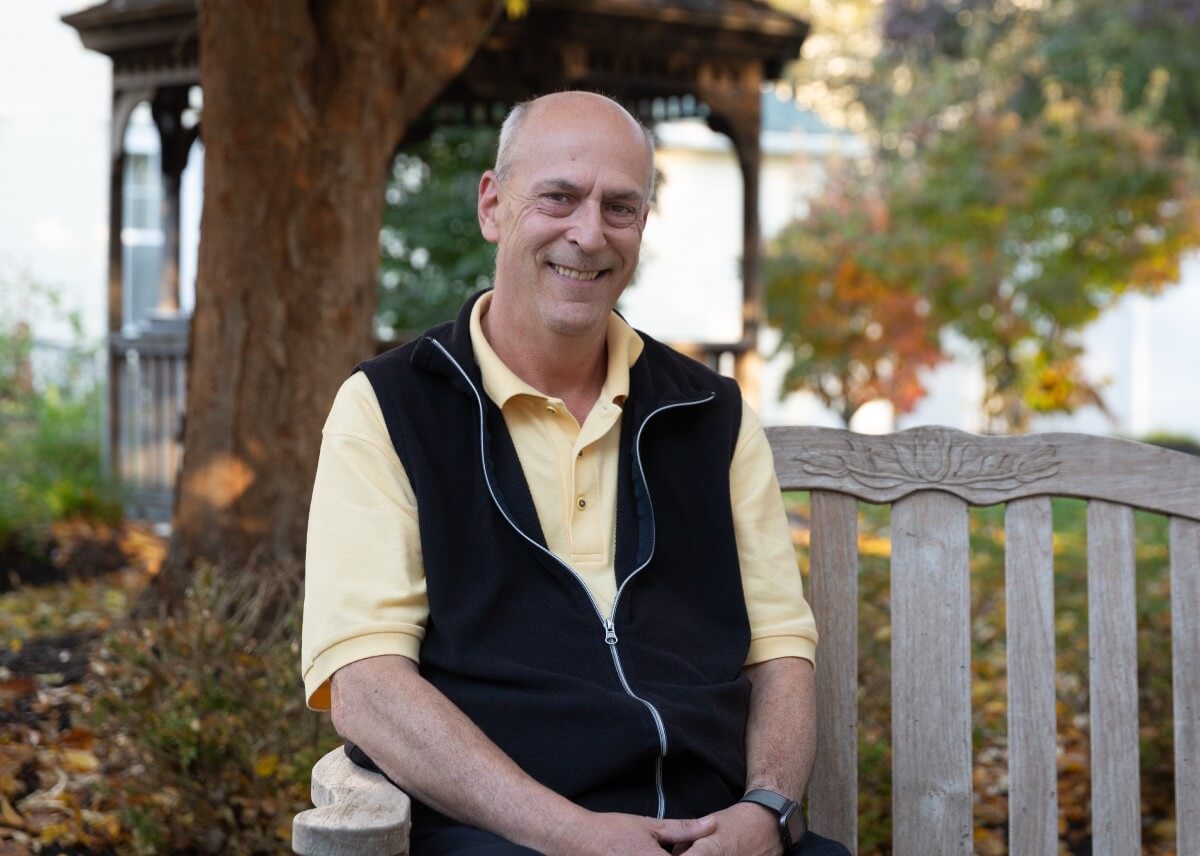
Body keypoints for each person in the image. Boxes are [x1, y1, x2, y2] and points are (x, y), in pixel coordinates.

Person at [302, 91, 848, 855]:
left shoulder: (709, 413)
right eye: (558, 197)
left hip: (716, 834)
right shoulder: (389, 409)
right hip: (501, 835)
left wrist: (766, 809)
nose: (589, 234)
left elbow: (779, 650)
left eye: (620, 208)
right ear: (494, 205)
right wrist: (570, 835)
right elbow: (366, 688)